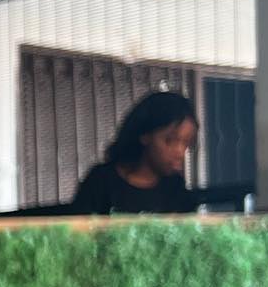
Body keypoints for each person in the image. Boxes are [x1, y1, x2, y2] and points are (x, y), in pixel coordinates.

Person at [70, 90, 199, 215]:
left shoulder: (175, 188)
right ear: (145, 135)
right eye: (169, 140)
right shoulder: (101, 181)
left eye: (186, 143)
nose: (179, 152)